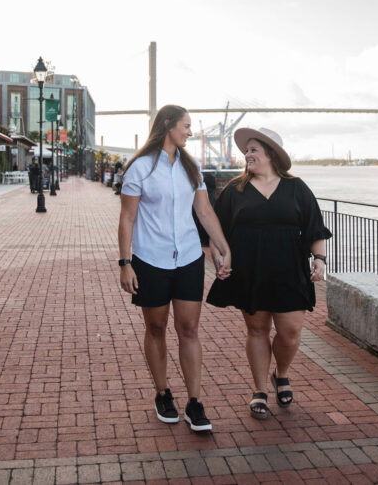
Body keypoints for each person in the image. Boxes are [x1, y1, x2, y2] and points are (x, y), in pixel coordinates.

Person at [117, 105, 232, 432]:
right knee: (156, 327)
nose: (190, 131)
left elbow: (205, 211)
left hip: (189, 258)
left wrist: (223, 248)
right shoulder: (139, 168)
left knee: (189, 329)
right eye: (186, 125)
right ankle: (163, 393)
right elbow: (127, 217)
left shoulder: (190, 166)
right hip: (150, 259)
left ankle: (195, 402)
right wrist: (125, 263)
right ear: (168, 125)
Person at [206, 127, 331, 420]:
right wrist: (219, 258)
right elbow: (216, 231)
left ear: (270, 154)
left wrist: (320, 259)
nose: (246, 155)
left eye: (253, 150)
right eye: (246, 150)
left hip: (290, 269)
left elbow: (314, 226)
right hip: (250, 271)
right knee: (257, 331)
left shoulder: (297, 187)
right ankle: (259, 389)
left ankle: (281, 373)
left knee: (290, 333)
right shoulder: (234, 190)